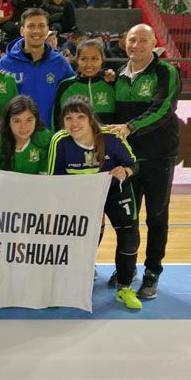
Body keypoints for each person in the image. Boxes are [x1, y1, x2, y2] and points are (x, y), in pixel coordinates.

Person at [106, 24, 180, 300]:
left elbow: (162, 109)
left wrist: (131, 127)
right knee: (130, 218)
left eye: (142, 41)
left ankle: (152, 272)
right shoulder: (120, 76)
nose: (135, 45)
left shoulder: (166, 72)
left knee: (157, 217)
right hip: (130, 162)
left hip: (159, 158)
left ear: (153, 44)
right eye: (131, 39)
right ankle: (128, 269)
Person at [48, 95, 140, 309]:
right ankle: (77, 280)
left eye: (80, 116)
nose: (74, 123)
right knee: (83, 237)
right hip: (81, 195)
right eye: (68, 118)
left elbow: (134, 165)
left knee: (129, 236)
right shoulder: (60, 141)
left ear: (91, 119)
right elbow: (54, 181)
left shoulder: (112, 137)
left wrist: (125, 171)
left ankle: (124, 287)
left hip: (116, 192)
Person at [0, 7, 74, 128]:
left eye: (41, 26)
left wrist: (104, 75)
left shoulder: (60, 63)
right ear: (22, 30)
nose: (36, 31)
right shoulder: (4, 64)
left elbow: (77, 86)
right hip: (16, 136)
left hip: (49, 135)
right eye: (31, 26)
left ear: (47, 29)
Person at [53, 38, 115, 127]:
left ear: (102, 60)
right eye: (84, 59)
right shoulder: (65, 86)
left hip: (106, 140)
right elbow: (57, 120)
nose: (89, 64)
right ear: (77, 60)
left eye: (94, 59)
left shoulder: (111, 84)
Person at [0, 94, 51, 173]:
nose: (23, 127)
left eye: (29, 120)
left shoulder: (44, 137)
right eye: (17, 121)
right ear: (8, 122)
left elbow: (45, 173)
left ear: (36, 120)